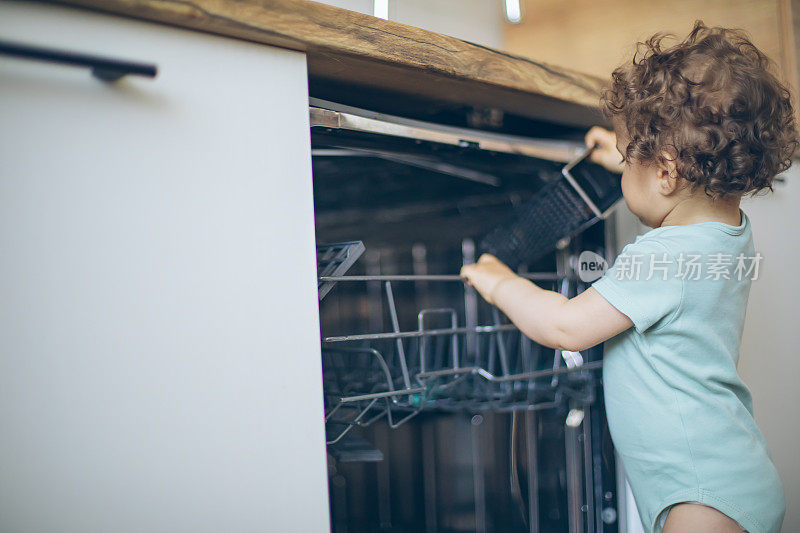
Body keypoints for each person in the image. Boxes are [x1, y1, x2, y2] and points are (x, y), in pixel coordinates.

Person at [460, 22, 797, 533]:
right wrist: (624, 150)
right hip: (728, 477)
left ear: (665, 172)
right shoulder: (727, 231)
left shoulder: (662, 257)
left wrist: (498, 281)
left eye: (626, 162)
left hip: (698, 500)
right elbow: (677, 188)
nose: (622, 172)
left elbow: (566, 327)